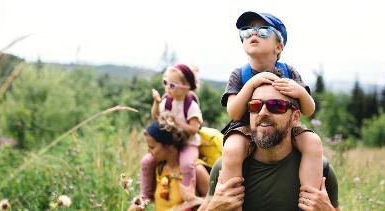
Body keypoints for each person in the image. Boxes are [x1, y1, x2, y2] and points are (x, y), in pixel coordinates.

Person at [219, 11, 323, 209]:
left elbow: (309, 110)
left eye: (264, 31)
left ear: (279, 46)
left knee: (313, 142)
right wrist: (250, 85)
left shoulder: (289, 72)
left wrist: (300, 92)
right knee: (232, 149)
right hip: (245, 127)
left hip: (284, 126)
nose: (253, 34)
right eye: (247, 31)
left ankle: (309, 201)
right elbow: (233, 112)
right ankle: (231, 203)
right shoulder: (239, 74)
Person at [200, 83, 340, 211]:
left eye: (276, 105)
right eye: (255, 106)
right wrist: (213, 209)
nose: (262, 113)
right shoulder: (224, 168)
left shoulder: (321, 171)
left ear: (295, 117)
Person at [140, 63, 203, 202]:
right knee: (146, 162)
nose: (167, 88)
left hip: (188, 143)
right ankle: (145, 195)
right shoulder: (167, 101)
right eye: (165, 83)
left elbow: (194, 129)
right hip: (171, 142)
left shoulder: (190, 105)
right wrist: (157, 103)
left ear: (187, 87)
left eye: (172, 85)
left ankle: (189, 195)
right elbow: (156, 117)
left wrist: (177, 122)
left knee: (187, 164)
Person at [129, 112, 209, 211]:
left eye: (152, 147)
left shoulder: (196, 170)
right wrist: (137, 205)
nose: (149, 152)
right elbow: (146, 196)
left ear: (169, 146)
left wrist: (194, 200)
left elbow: (216, 203)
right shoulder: (158, 169)